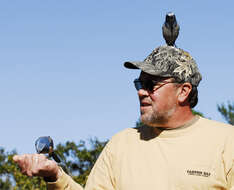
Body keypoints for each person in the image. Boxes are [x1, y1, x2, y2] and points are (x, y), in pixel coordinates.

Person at [13, 45, 234, 190]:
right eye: (139, 84)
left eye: (150, 85)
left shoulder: (226, 142)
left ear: (183, 91)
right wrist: (55, 176)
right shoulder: (121, 144)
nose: (140, 92)